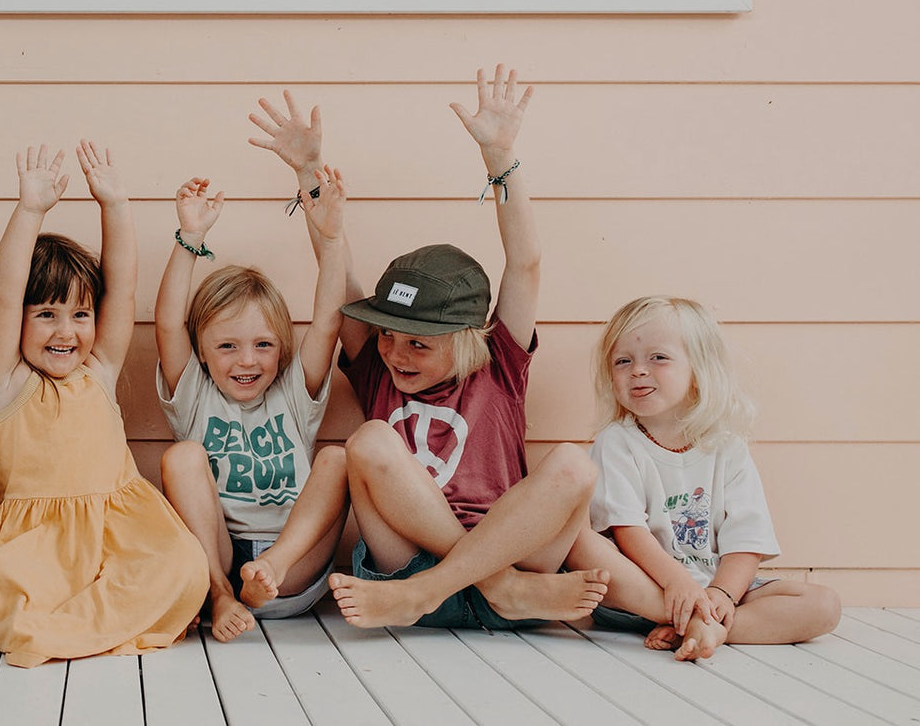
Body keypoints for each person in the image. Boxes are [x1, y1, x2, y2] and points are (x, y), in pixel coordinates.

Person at [247, 68, 609, 630]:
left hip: (490, 554)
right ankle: (499, 590)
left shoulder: (499, 365)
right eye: (389, 335)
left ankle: (449, 589)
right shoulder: (378, 371)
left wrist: (500, 157)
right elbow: (335, 268)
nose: (396, 354)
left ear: (468, 341)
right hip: (408, 563)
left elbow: (526, 262)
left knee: (573, 465)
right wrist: (309, 172)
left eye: (419, 342)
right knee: (367, 439)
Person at [0, 142, 207, 667]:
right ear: (19, 322)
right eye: (46, 314)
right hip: (38, 542)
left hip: (120, 531)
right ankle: (94, 626)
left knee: (184, 564)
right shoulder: (6, 383)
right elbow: (1, 295)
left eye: (79, 315)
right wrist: (29, 211)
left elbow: (123, 287)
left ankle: (64, 630)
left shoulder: (99, 370)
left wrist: (114, 205)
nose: (66, 332)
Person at [568, 296, 840, 660]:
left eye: (658, 358)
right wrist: (677, 584)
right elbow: (627, 530)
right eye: (623, 361)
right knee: (578, 544)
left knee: (824, 605)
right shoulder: (617, 441)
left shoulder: (727, 447)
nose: (638, 370)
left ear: (699, 370)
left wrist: (722, 595)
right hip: (643, 590)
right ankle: (689, 618)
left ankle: (704, 625)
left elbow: (746, 539)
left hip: (716, 583)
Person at [154, 168, 349, 641]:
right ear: (201, 350)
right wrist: (189, 238)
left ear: (283, 347)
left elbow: (327, 320)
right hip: (218, 556)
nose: (247, 360)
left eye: (263, 345)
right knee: (181, 456)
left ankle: (267, 574)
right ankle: (221, 593)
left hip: (293, 563)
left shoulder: (293, 393)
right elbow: (166, 323)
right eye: (227, 347)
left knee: (340, 460)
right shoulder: (195, 394)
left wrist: (332, 238)